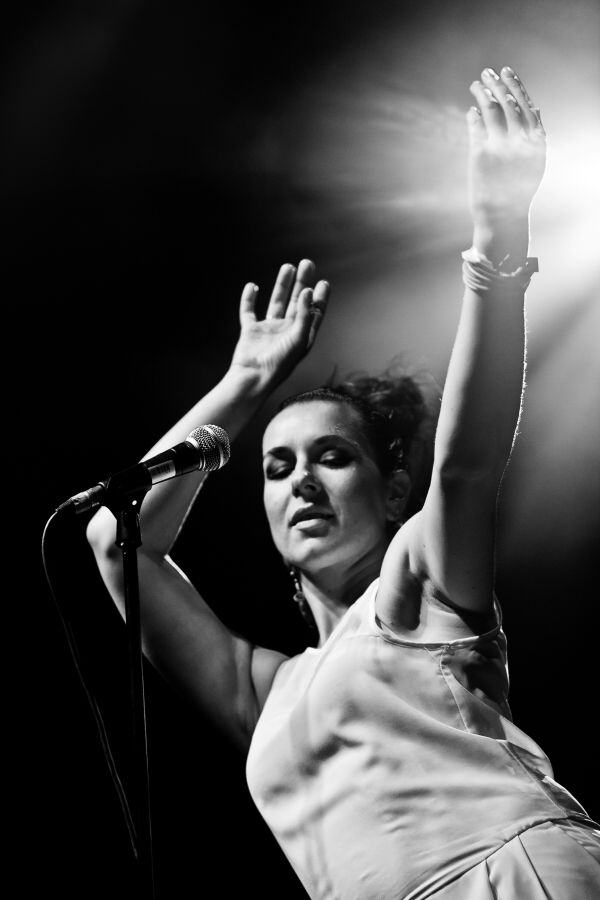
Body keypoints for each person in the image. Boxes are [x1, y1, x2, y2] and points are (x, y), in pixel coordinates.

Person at [86, 66, 600, 898]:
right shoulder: (262, 690)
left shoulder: (419, 585)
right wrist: (246, 382)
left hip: (508, 872)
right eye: (277, 466)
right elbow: (117, 538)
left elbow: (468, 462)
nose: (301, 483)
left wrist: (499, 241)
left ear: (393, 492)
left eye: (332, 457)